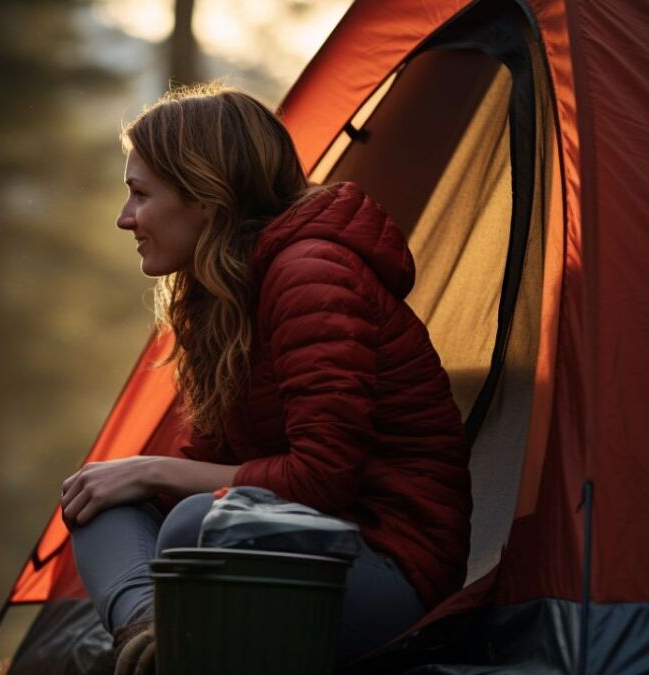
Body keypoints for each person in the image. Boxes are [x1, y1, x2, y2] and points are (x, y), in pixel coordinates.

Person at [61, 85, 471, 673]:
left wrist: (153, 469)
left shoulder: (311, 276)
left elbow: (322, 478)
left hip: (385, 567)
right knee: (96, 498)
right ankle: (150, 638)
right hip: (278, 548)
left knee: (198, 523)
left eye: (140, 194)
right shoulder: (221, 293)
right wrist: (136, 480)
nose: (125, 218)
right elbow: (218, 458)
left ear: (203, 197)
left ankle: (173, 643)